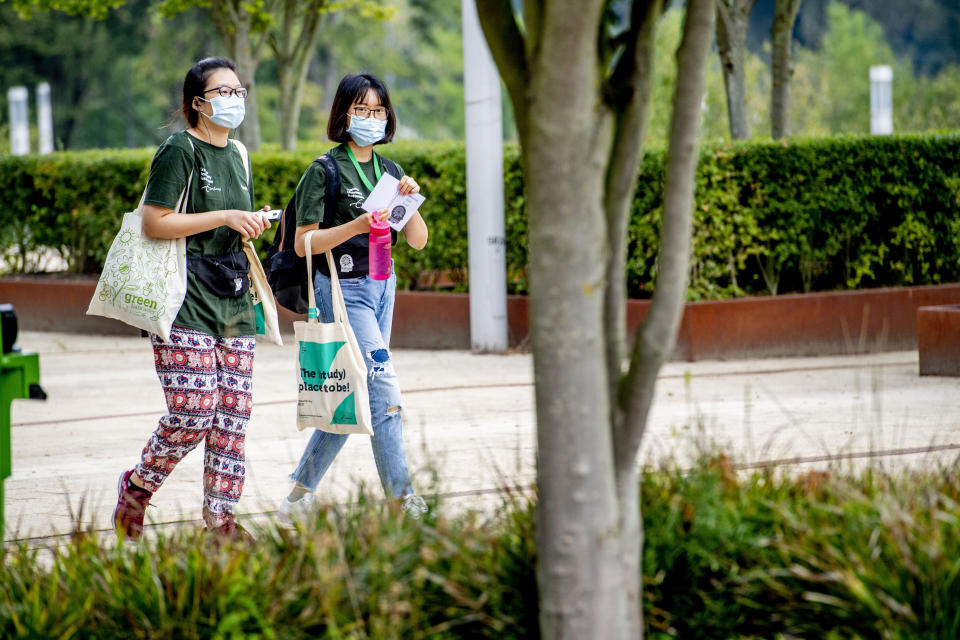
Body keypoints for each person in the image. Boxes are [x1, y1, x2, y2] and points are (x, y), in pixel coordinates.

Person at [112, 57, 272, 542]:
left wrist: (249, 221)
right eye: (222, 92)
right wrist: (224, 215)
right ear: (196, 103)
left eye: (239, 91)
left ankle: (220, 521)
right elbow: (154, 223)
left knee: (233, 416)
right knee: (195, 409)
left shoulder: (239, 154)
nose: (233, 99)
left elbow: (227, 221)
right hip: (183, 298)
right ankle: (138, 486)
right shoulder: (179, 150)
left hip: (234, 298)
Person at [280, 73, 429, 520]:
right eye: (361, 110)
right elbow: (303, 243)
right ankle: (402, 500)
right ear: (343, 114)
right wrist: (356, 226)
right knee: (383, 386)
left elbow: (418, 240)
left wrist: (412, 199)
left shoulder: (391, 172)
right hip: (342, 291)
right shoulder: (324, 170)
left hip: (385, 285)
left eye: (378, 110)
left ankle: (297, 496)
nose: (371, 118)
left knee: (353, 395)